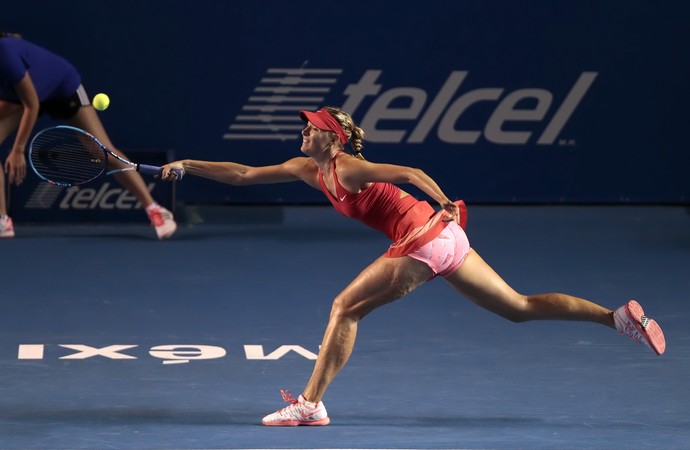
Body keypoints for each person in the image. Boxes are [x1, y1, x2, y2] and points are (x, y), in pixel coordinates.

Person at [160, 106, 666, 426]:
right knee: (518, 307)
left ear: (332, 140)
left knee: (344, 308)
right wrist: (189, 166)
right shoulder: (306, 170)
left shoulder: (347, 167)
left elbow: (411, 171)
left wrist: (445, 201)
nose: (303, 133)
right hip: (445, 240)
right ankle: (616, 317)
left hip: (425, 237)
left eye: (312, 129)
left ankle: (310, 404)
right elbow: (245, 174)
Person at [0, 32, 176, 239]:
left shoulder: (5, 53)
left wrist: (18, 149)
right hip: (23, 96)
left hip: (62, 89)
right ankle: (3, 220)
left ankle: (156, 210)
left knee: (104, 153)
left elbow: (32, 105)